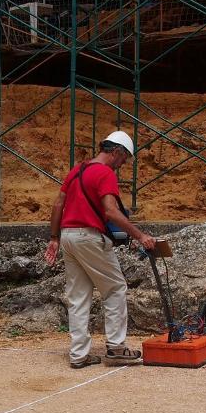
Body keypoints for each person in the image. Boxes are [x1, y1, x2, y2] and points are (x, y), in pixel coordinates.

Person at [46, 131, 156, 369]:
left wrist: (54, 238)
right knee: (115, 289)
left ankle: (78, 355)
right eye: (123, 159)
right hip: (89, 237)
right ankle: (116, 348)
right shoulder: (104, 173)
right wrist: (140, 235)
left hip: (68, 236)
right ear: (116, 152)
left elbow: (57, 204)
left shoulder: (76, 170)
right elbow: (110, 211)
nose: (122, 165)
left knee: (78, 297)